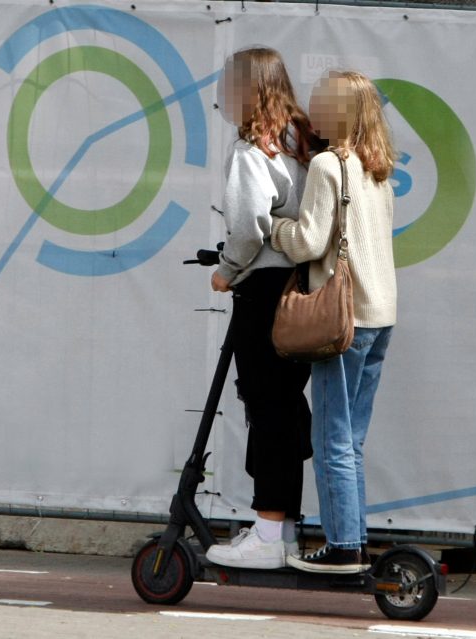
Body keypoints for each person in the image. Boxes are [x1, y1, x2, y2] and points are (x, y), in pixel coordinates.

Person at [271, 70, 397, 574]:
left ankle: (344, 546)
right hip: (380, 315)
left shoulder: (328, 165)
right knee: (352, 439)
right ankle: (354, 538)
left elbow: (306, 242)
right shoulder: (377, 168)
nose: (314, 109)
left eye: (322, 103)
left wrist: (275, 227)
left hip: (342, 318)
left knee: (331, 439)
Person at [205, 47, 322, 570]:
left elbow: (249, 223)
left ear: (250, 92)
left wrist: (226, 271)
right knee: (287, 403)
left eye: (230, 87)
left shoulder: (254, 149)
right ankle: (286, 529)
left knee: (265, 404)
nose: (222, 98)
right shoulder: (303, 141)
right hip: (303, 285)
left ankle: (268, 532)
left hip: (264, 289)